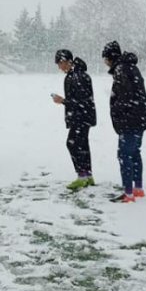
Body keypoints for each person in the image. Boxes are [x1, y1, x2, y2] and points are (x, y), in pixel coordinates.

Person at [102, 40, 146, 203]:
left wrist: (118, 113)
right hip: (140, 118)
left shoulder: (121, 69)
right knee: (135, 153)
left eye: (105, 58)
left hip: (130, 121)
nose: (105, 62)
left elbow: (124, 97)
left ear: (110, 57)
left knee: (124, 155)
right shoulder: (130, 67)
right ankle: (138, 188)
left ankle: (128, 193)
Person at [51, 49, 96, 191]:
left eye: (60, 63)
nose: (59, 67)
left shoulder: (76, 76)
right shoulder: (79, 74)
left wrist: (63, 101)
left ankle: (82, 176)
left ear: (67, 61)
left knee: (73, 144)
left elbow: (81, 101)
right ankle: (88, 175)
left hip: (80, 117)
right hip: (84, 116)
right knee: (82, 145)